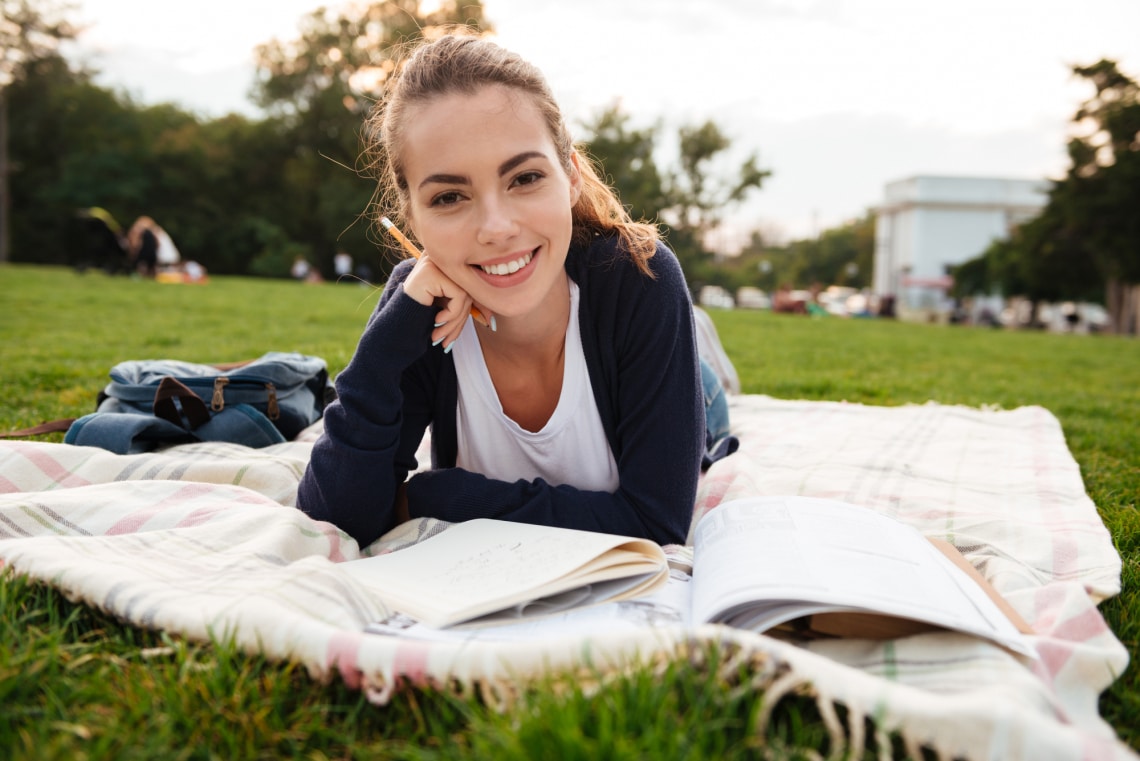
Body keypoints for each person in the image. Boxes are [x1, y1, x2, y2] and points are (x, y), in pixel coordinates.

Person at [297, 33, 733, 549]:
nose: (497, 227)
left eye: (524, 178)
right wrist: (384, 350)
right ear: (411, 216)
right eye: (450, 196)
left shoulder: (640, 276)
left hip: (665, 370)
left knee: (702, 392)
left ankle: (698, 343)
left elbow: (657, 525)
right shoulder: (417, 310)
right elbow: (335, 519)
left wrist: (443, 497)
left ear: (570, 177)